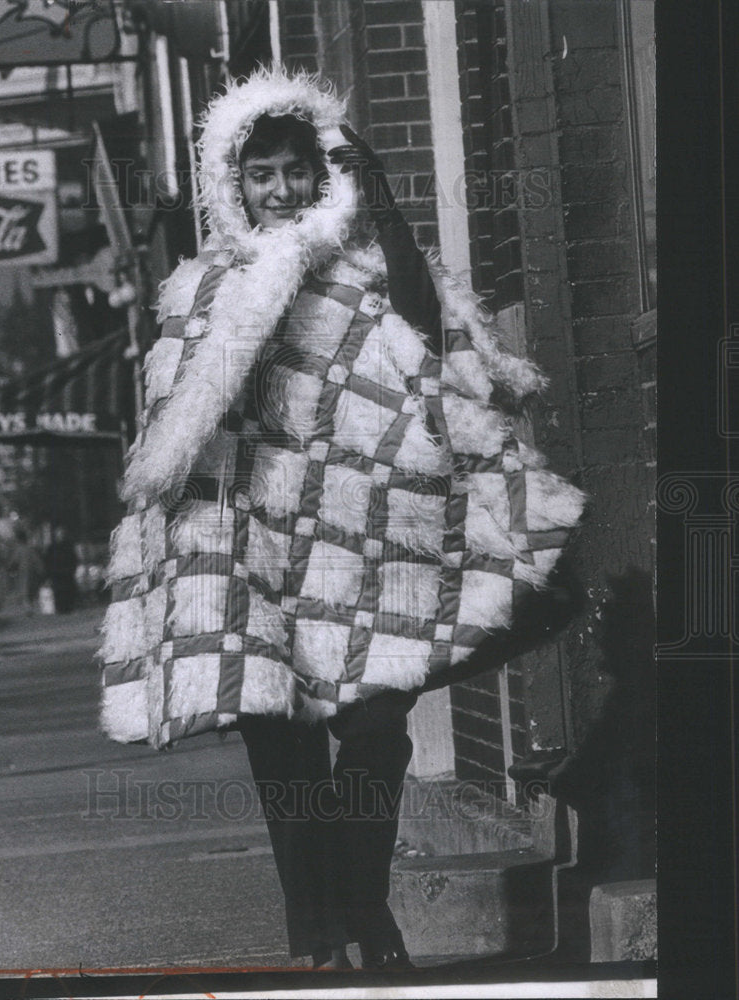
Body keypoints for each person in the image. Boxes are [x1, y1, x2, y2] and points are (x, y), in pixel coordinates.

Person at [98, 68, 585, 971]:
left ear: (324, 175)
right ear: (231, 186)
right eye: (260, 175)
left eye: (296, 171)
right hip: (251, 556)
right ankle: (325, 941)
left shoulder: (368, 267)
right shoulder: (201, 291)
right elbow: (177, 435)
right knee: (283, 762)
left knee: (372, 736)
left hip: (365, 554)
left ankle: (360, 906)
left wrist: (389, 209)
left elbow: (433, 344)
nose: (280, 191)